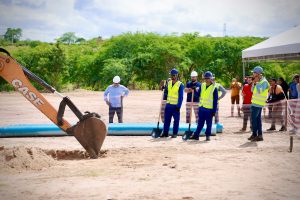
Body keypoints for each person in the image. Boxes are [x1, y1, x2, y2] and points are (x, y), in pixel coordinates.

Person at [187, 71, 218, 141]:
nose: (206, 80)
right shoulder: (202, 85)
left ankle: (208, 136)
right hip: (201, 108)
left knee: (209, 123)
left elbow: (215, 101)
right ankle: (196, 135)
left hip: (209, 110)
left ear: (211, 78)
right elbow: (198, 95)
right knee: (200, 123)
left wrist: (214, 111)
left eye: (208, 78)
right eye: (205, 78)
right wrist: (195, 90)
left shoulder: (214, 88)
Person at [248, 66, 270, 142]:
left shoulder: (264, 82)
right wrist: (254, 83)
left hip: (258, 104)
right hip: (255, 103)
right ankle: (259, 135)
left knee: (253, 119)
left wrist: (256, 83)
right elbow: (252, 90)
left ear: (258, 73)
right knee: (257, 120)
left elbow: (260, 91)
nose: (253, 74)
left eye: (254, 73)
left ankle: (255, 134)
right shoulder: (258, 81)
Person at [161, 68, 184, 138]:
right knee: (166, 120)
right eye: (171, 75)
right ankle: (165, 133)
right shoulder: (169, 83)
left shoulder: (180, 85)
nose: (172, 77)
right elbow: (166, 92)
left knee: (176, 120)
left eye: (173, 75)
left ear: (177, 76)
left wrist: (179, 106)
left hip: (175, 106)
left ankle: (174, 133)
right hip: (168, 105)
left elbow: (181, 97)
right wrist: (162, 87)